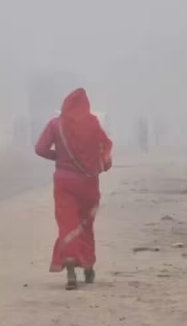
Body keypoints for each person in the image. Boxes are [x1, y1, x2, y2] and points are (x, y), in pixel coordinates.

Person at [35, 88, 113, 290]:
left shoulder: (55, 125)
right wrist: (100, 165)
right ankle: (88, 267)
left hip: (64, 182)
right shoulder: (93, 124)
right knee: (85, 224)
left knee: (67, 224)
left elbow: (40, 149)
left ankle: (69, 268)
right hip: (88, 183)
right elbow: (105, 156)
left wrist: (58, 158)